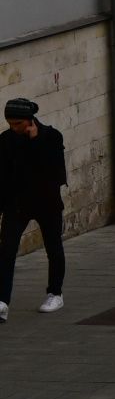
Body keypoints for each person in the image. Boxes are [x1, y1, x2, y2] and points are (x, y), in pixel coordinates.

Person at [0, 98, 68, 321]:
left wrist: (35, 143)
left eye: (18, 123)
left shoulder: (51, 137)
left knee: (53, 247)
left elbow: (56, 174)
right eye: (10, 123)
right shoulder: (6, 141)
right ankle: (2, 302)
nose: (14, 127)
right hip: (16, 204)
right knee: (7, 251)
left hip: (46, 203)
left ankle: (55, 293)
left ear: (29, 121)